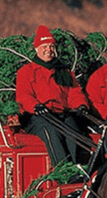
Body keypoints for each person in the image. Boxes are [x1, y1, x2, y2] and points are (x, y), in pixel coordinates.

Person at [16, 25, 90, 166]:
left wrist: (81, 105)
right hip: (37, 116)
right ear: (36, 48)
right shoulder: (26, 71)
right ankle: (63, 170)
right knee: (52, 133)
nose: (48, 50)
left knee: (73, 131)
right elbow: (23, 95)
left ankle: (75, 168)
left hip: (62, 113)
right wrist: (35, 106)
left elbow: (74, 92)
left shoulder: (64, 71)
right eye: (44, 46)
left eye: (51, 47)